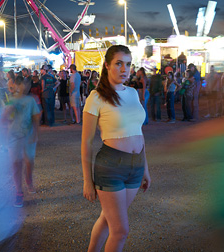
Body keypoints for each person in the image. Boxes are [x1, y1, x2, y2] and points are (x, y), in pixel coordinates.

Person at [81, 45, 151, 252]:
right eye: (119, 63)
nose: (124, 69)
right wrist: (87, 181)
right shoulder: (96, 97)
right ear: (107, 65)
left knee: (107, 218)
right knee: (120, 231)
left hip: (136, 166)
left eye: (128, 64)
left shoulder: (131, 93)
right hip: (110, 166)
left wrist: (145, 168)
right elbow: (86, 142)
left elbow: (139, 132)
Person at [2, 76, 41, 207]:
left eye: (26, 84)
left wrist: (35, 133)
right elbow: (4, 118)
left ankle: (28, 179)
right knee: (16, 164)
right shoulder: (10, 99)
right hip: (14, 136)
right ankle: (19, 192)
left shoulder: (31, 100)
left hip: (28, 135)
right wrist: (10, 108)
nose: (25, 87)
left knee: (29, 161)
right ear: (16, 86)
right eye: (22, 84)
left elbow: (36, 118)